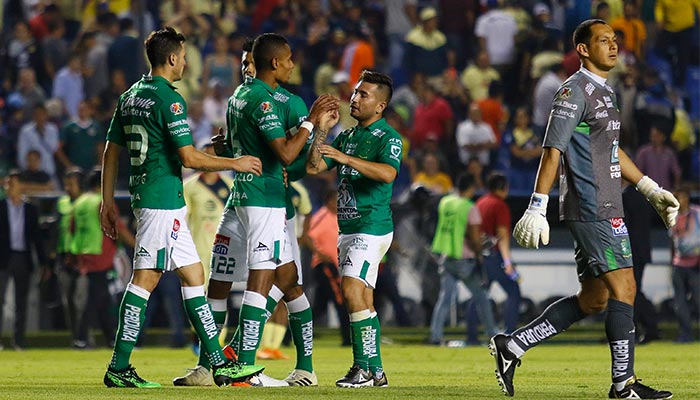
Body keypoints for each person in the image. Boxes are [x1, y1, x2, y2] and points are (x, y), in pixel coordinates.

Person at [492, 19, 678, 399]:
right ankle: (623, 386)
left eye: (615, 40)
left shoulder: (605, 94)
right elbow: (552, 150)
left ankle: (512, 346)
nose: (613, 47)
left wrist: (649, 187)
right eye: (603, 41)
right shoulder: (573, 92)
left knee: (595, 298)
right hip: (593, 205)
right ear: (582, 49)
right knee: (625, 287)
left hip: (607, 201)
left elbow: (609, 150)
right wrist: (537, 206)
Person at [100, 26, 264, 388]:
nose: (187, 62)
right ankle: (119, 365)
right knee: (145, 279)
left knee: (193, 276)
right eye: (185, 56)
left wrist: (107, 200)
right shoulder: (168, 100)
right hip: (161, 201)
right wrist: (235, 162)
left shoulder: (129, 96)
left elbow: (112, 151)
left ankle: (217, 362)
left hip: (155, 198)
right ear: (173, 58)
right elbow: (189, 157)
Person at [175, 33, 336, 387]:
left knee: (282, 282)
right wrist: (313, 122)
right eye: (290, 58)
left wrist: (319, 132)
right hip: (262, 200)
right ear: (274, 63)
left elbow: (306, 163)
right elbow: (289, 155)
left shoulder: (254, 97)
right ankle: (236, 365)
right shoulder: (265, 100)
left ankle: (290, 364)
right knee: (249, 280)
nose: (294, 64)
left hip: (258, 201)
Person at [306, 69, 402, 388]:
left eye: (364, 94)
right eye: (356, 91)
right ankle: (376, 372)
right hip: (349, 228)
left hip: (371, 226)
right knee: (364, 297)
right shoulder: (346, 135)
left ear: (380, 106)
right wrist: (321, 131)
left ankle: (361, 368)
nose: (355, 97)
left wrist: (345, 158)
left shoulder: (388, 137)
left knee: (349, 290)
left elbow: (388, 173)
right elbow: (314, 166)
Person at [428, 173, 497, 346]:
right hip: (464, 258)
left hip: (446, 255)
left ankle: (435, 336)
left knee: (445, 299)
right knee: (481, 297)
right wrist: (481, 253)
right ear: (471, 188)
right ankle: (492, 334)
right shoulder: (469, 207)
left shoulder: (446, 202)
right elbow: (474, 237)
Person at [71, 169, 135, 349]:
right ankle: (81, 338)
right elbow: (119, 228)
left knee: (103, 298)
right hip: (101, 254)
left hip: (84, 254)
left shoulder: (79, 203)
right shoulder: (102, 202)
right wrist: (138, 246)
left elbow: (72, 230)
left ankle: (110, 338)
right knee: (94, 299)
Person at [467, 172, 520, 342]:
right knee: (514, 292)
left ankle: (472, 335)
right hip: (494, 257)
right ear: (503, 187)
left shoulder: (480, 202)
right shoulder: (500, 205)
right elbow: (502, 236)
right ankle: (509, 334)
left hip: (480, 255)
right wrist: (508, 262)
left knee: (479, 295)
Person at [0, 171, 48, 351]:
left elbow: (37, 238)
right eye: (6, 184)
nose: (8, 187)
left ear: (21, 186)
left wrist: (44, 263)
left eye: (11, 184)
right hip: (3, 258)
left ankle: (18, 341)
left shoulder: (30, 209)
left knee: (21, 302)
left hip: (23, 258)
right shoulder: (0, 207)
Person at [670, 187, 700, 343]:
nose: (679, 201)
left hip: (695, 263)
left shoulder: (697, 213)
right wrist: (671, 262)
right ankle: (686, 334)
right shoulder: (672, 215)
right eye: (677, 198)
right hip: (678, 263)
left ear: (688, 198)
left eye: (682, 198)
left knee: (697, 300)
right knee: (679, 302)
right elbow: (672, 241)